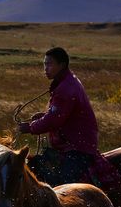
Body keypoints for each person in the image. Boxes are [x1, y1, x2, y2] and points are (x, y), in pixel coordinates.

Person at [16, 47, 100, 186]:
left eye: (49, 64)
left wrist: (30, 127)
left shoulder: (65, 88)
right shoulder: (68, 81)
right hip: (76, 143)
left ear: (61, 65)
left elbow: (53, 121)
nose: (45, 68)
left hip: (76, 147)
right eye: (44, 64)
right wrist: (44, 116)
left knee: (64, 186)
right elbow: (61, 115)